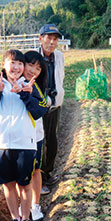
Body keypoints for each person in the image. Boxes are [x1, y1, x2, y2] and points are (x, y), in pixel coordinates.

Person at [0, 49, 48, 221]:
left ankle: (25, 219)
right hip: (0, 145)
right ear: (4, 65)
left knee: (25, 185)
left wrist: (25, 94)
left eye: (19, 64)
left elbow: (40, 111)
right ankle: (15, 218)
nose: (16, 67)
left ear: (23, 67)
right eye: (12, 63)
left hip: (25, 144)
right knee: (8, 185)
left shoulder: (29, 85)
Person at [37, 24, 65, 194]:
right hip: (38, 107)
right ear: (40, 38)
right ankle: (38, 179)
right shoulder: (33, 57)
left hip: (55, 105)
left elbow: (60, 76)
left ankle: (47, 173)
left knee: (52, 142)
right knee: (39, 143)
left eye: (55, 39)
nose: (52, 42)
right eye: (48, 38)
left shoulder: (60, 56)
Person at [21, 50, 48, 221]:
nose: (33, 70)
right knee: (20, 174)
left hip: (35, 135)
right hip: (16, 137)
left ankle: (35, 205)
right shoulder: (8, 84)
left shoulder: (36, 87)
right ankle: (21, 204)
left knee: (35, 170)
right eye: (31, 65)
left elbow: (41, 109)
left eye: (38, 69)